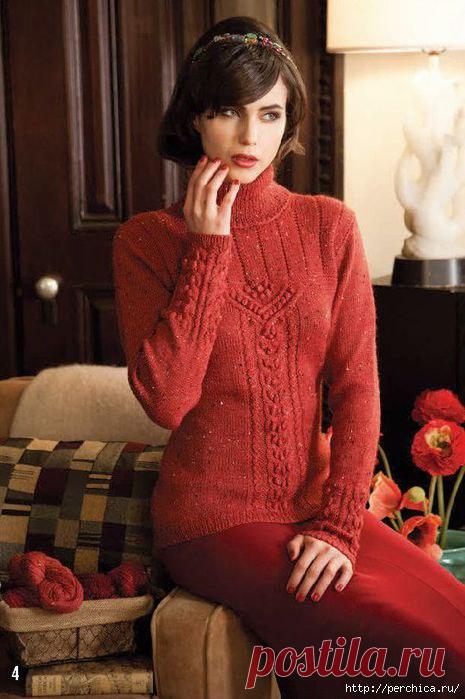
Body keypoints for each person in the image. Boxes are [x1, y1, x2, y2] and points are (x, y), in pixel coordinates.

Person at [112, 15, 465, 697]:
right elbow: (168, 402)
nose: (251, 136)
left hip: (317, 509)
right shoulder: (146, 242)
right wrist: (207, 250)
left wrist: (337, 524)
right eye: (228, 111)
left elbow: (358, 387)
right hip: (213, 523)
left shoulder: (328, 225)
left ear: (288, 120)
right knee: (423, 653)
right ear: (194, 118)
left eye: (269, 113)